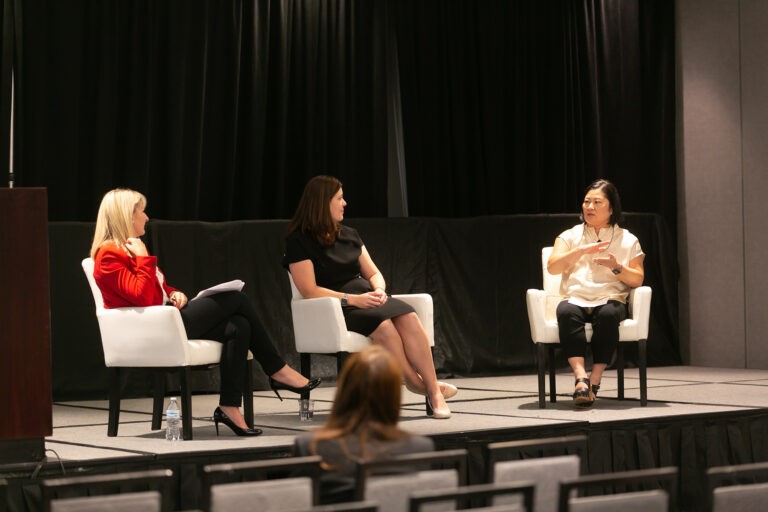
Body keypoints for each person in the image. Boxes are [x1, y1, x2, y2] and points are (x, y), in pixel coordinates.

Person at [89, 188, 320, 437]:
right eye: (141, 212)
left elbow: (157, 289)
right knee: (236, 299)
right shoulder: (108, 255)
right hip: (152, 331)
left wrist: (175, 293)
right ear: (126, 216)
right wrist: (144, 259)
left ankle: (229, 407)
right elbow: (142, 297)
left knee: (238, 326)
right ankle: (276, 369)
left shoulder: (130, 249)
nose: (146, 217)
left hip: (165, 320)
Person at [283, 175, 456, 419]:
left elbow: (373, 273)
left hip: (367, 298)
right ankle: (418, 384)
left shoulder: (350, 234)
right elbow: (309, 290)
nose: (345, 203)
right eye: (339, 198)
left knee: (408, 316)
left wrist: (379, 290)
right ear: (323, 202)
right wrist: (352, 300)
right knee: (384, 327)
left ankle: (432, 389)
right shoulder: (298, 241)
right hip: (335, 307)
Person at [546, 179, 645, 407]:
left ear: (611, 209)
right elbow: (552, 267)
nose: (589, 207)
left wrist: (616, 266)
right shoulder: (569, 236)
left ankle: (595, 378)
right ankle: (580, 378)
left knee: (608, 315)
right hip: (576, 297)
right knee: (566, 311)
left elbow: (637, 279)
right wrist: (579, 251)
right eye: (586, 202)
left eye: (597, 202)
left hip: (610, 298)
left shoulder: (628, 239)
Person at [293, 345, 434, 504]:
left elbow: (295, 503)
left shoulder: (312, 447)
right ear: (394, 395)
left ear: (344, 389)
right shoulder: (420, 448)